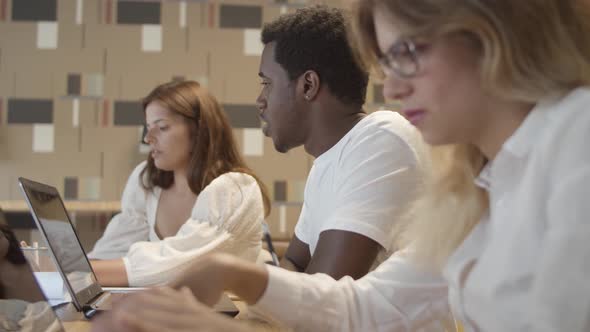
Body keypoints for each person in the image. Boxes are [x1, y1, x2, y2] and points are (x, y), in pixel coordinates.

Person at [92, 0, 590, 331]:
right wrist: (229, 271)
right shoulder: (472, 191)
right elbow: (365, 307)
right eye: (386, 64)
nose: (391, 88)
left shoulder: (575, 133)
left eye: (408, 53)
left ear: (493, 32)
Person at [257, 4, 428, 279]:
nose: (260, 100)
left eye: (267, 83)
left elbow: (324, 290)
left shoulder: (382, 138)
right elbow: (293, 262)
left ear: (308, 85)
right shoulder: (327, 162)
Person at [88, 80, 270, 287]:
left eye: (162, 127)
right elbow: (111, 251)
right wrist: (69, 271)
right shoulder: (146, 181)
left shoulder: (236, 190)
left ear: (199, 131)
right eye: (148, 128)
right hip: (175, 310)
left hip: (234, 315)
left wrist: (82, 275)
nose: (148, 138)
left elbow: (182, 266)